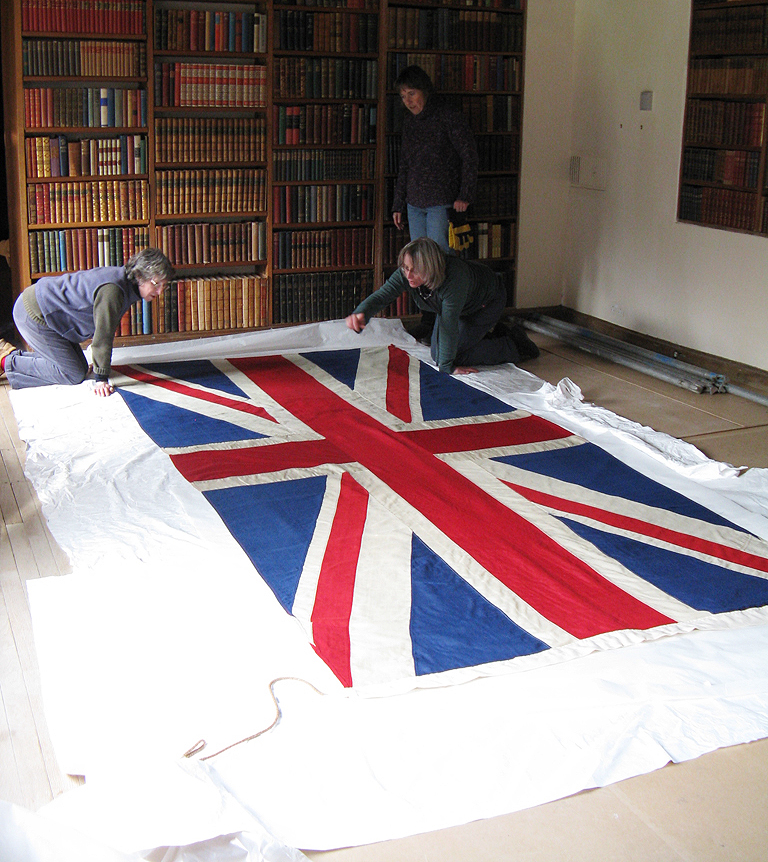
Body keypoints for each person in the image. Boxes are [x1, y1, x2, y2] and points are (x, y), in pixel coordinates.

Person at [345, 237, 538, 375]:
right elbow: (382, 296)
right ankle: (494, 334)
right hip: (457, 308)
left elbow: (449, 324)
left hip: (486, 305)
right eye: (406, 268)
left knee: (449, 356)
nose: (408, 274)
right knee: (442, 352)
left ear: (430, 267)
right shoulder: (408, 273)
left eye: (414, 270)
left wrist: (448, 368)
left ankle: (514, 345)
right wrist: (361, 313)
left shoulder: (455, 279)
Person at [0, 247, 174, 397]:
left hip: (51, 318)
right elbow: (103, 337)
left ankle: (14, 356)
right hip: (34, 314)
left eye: (163, 286)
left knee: (80, 370)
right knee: (72, 374)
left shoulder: (123, 284)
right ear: (139, 275)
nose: (159, 291)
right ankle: (5, 360)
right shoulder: (114, 291)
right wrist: (101, 378)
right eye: (156, 284)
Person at [392, 65, 478, 253]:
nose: (408, 101)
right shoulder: (409, 122)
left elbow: (469, 155)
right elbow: (405, 164)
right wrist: (398, 204)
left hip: (441, 203)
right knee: (421, 261)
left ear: (424, 89)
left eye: (412, 93)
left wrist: (465, 195)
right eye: (403, 96)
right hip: (414, 204)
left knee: (441, 260)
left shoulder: (448, 116)